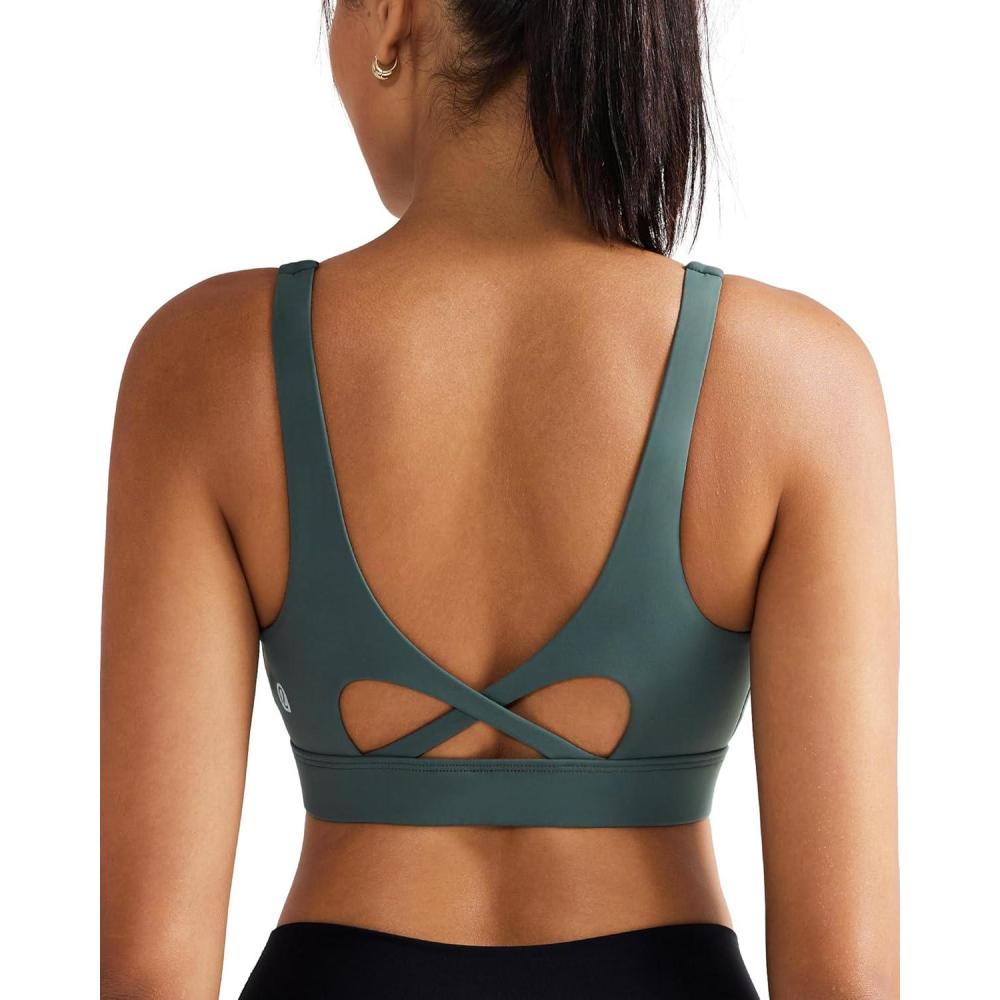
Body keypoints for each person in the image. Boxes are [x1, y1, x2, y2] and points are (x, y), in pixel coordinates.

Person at [100, 1, 900, 997]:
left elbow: (152, 969)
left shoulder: (206, 362)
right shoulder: (796, 377)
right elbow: (844, 977)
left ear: (391, 17)